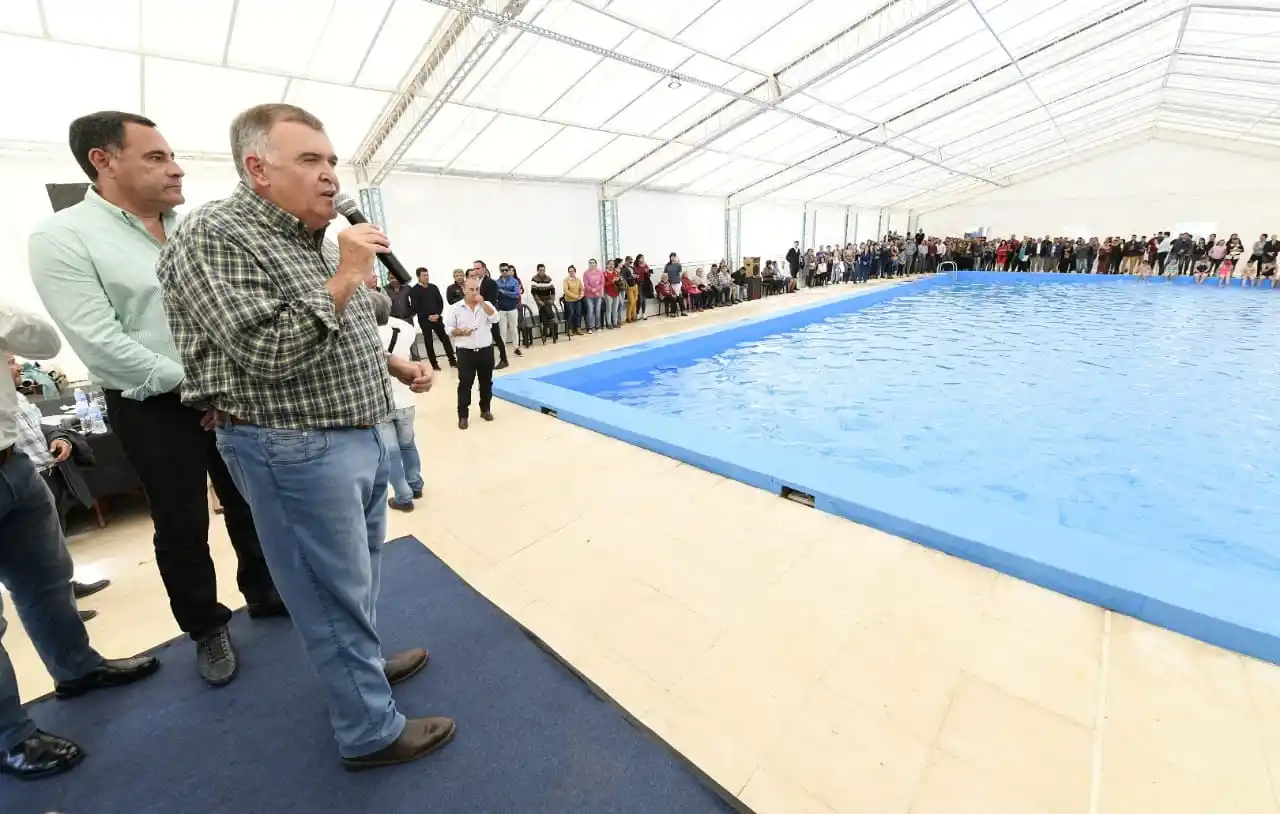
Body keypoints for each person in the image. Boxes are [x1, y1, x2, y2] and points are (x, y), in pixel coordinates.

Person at [155, 103, 454, 770]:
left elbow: (335, 325)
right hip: (291, 445)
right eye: (310, 162)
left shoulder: (308, 237)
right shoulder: (214, 236)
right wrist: (347, 274)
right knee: (326, 591)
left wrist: (394, 361)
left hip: (356, 429)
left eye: (331, 162)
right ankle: (369, 731)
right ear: (257, 169)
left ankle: (364, 667)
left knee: (357, 575)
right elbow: (265, 348)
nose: (330, 177)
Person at [28, 110, 280, 687]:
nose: (176, 168)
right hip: (152, 404)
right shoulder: (62, 238)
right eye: (157, 157)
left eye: (171, 156)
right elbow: (101, 343)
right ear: (103, 160)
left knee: (251, 500)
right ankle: (207, 627)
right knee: (182, 519)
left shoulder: (191, 227)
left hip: (230, 390)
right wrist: (200, 386)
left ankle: (265, 589)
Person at [0, 302, 159, 780]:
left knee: (48, 581)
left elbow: (45, 345)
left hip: (12, 465)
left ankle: (76, 669)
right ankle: (10, 737)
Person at [371, 292, 424, 513]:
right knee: (408, 444)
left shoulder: (366, 332)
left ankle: (403, 496)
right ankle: (416, 483)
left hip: (380, 400)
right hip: (405, 396)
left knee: (390, 451)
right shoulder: (406, 328)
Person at [445, 277, 499, 430]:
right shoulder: (455, 308)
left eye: (477, 289)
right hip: (465, 352)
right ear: (464, 290)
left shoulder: (486, 305)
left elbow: (495, 318)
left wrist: (483, 303)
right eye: (471, 290)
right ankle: (463, 416)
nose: (475, 293)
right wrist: (460, 331)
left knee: (486, 382)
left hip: (485, 350)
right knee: (465, 384)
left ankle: (485, 409)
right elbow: (448, 329)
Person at [409, 268, 454, 370]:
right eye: (424, 275)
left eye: (427, 275)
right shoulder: (414, 290)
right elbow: (415, 307)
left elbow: (440, 302)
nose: (427, 277)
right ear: (418, 277)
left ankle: (452, 360)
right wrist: (427, 316)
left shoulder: (433, 287)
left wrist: (437, 314)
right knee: (429, 342)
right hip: (425, 321)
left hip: (437, 318)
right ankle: (434, 364)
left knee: (445, 339)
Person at [472, 261, 508, 368]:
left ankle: (504, 359)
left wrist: (483, 307)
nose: (476, 271)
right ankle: (483, 360)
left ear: (484, 269)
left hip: (489, 314)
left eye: (478, 268)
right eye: (474, 269)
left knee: (496, 336)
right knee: (483, 337)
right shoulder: (475, 282)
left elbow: (491, 300)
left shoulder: (490, 282)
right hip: (478, 315)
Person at [495, 264, 523, 358]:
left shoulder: (514, 281)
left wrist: (503, 292)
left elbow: (516, 295)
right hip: (501, 310)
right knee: (502, 332)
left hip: (512, 308)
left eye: (506, 270)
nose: (504, 272)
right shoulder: (497, 282)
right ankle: (503, 351)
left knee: (514, 330)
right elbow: (495, 296)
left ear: (508, 270)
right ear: (500, 271)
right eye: (502, 270)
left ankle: (516, 348)